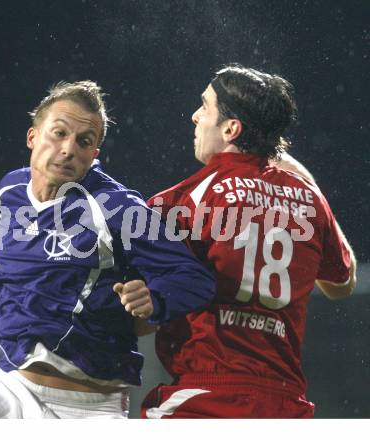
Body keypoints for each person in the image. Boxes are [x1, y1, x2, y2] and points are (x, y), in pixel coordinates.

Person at [0, 80, 215, 419]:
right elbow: (21, 263)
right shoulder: (9, 191)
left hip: (88, 405)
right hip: (8, 388)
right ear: (32, 137)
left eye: (84, 141)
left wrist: (155, 297)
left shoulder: (116, 208)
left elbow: (195, 279)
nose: (69, 149)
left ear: (95, 154)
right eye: (59, 133)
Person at [141, 64, 356, 418]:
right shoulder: (308, 197)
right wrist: (306, 178)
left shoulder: (180, 202)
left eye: (205, 107)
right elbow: (341, 284)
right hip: (286, 404)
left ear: (231, 128)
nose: (195, 116)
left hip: (205, 396)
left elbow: (138, 307)